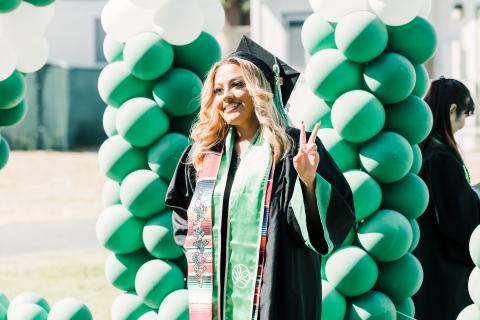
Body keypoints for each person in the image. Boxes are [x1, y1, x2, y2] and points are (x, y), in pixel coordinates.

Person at [165, 36, 355, 320]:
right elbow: (183, 212)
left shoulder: (291, 148)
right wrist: (203, 248)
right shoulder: (204, 154)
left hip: (277, 294)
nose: (226, 95)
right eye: (218, 89)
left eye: (237, 84)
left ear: (260, 90)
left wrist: (308, 182)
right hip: (215, 291)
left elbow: (323, 231)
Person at [413, 77, 480, 319]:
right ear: (453, 110)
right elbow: (462, 222)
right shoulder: (442, 158)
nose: (463, 124)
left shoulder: (420, 152)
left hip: (423, 266)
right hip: (445, 274)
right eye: (464, 116)